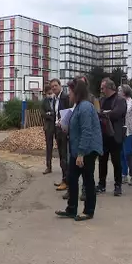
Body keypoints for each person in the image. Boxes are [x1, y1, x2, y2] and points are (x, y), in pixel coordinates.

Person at [55, 79, 103, 221]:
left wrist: (81, 153)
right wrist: (65, 126)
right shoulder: (78, 106)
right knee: (72, 178)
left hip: (87, 150)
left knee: (88, 180)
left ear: (77, 92)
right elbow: (75, 127)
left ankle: (89, 210)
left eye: (70, 91)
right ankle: (71, 209)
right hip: (78, 149)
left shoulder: (86, 107)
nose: (68, 95)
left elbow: (87, 131)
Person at [97, 78, 127, 196]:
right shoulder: (101, 100)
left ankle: (118, 185)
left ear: (109, 88)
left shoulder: (120, 100)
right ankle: (101, 184)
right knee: (102, 161)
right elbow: (97, 113)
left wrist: (104, 113)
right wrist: (105, 113)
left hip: (115, 136)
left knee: (116, 162)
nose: (101, 90)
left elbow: (117, 113)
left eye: (102, 88)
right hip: (103, 136)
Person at [50, 78, 70, 192]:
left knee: (65, 156)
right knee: (62, 157)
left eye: (55, 86)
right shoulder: (54, 99)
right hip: (57, 130)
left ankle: (67, 181)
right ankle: (64, 179)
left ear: (60, 86)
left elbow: (68, 113)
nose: (53, 88)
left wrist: (64, 127)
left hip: (64, 130)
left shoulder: (65, 97)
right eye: (52, 86)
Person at [41, 84, 55, 174]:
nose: (50, 94)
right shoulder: (43, 102)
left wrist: (51, 113)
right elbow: (43, 114)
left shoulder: (56, 100)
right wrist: (50, 115)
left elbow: (58, 111)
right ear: (45, 94)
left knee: (62, 147)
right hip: (48, 126)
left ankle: (64, 167)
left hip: (58, 126)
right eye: (49, 93)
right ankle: (48, 167)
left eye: (51, 93)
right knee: (49, 147)